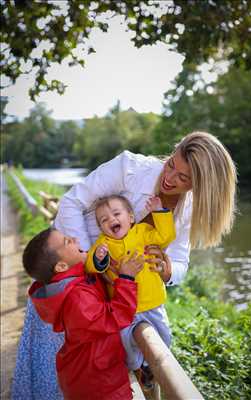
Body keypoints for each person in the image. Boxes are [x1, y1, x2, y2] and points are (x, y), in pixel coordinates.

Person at [12, 131, 237, 399]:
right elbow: (72, 202)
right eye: (171, 164)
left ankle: (143, 372)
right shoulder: (129, 168)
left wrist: (167, 270)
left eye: (183, 177)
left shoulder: (187, 211)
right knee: (59, 374)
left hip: (118, 300)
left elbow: (179, 264)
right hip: (74, 290)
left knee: (102, 372)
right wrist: (92, 264)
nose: (170, 177)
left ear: (200, 185)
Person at [22, 227, 144, 400]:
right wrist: (127, 279)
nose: (73, 238)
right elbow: (115, 317)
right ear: (61, 266)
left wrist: (104, 267)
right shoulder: (76, 298)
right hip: (99, 384)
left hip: (91, 376)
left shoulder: (73, 283)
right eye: (67, 242)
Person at [85, 194, 176, 386]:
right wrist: (99, 258)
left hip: (152, 302)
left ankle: (153, 367)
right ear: (101, 228)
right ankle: (138, 367)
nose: (112, 220)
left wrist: (159, 212)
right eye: (104, 220)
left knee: (164, 338)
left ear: (131, 217)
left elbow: (165, 235)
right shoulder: (104, 244)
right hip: (124, 308)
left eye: (117, 213)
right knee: (126, 342)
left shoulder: (143, 232)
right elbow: (91, 266)